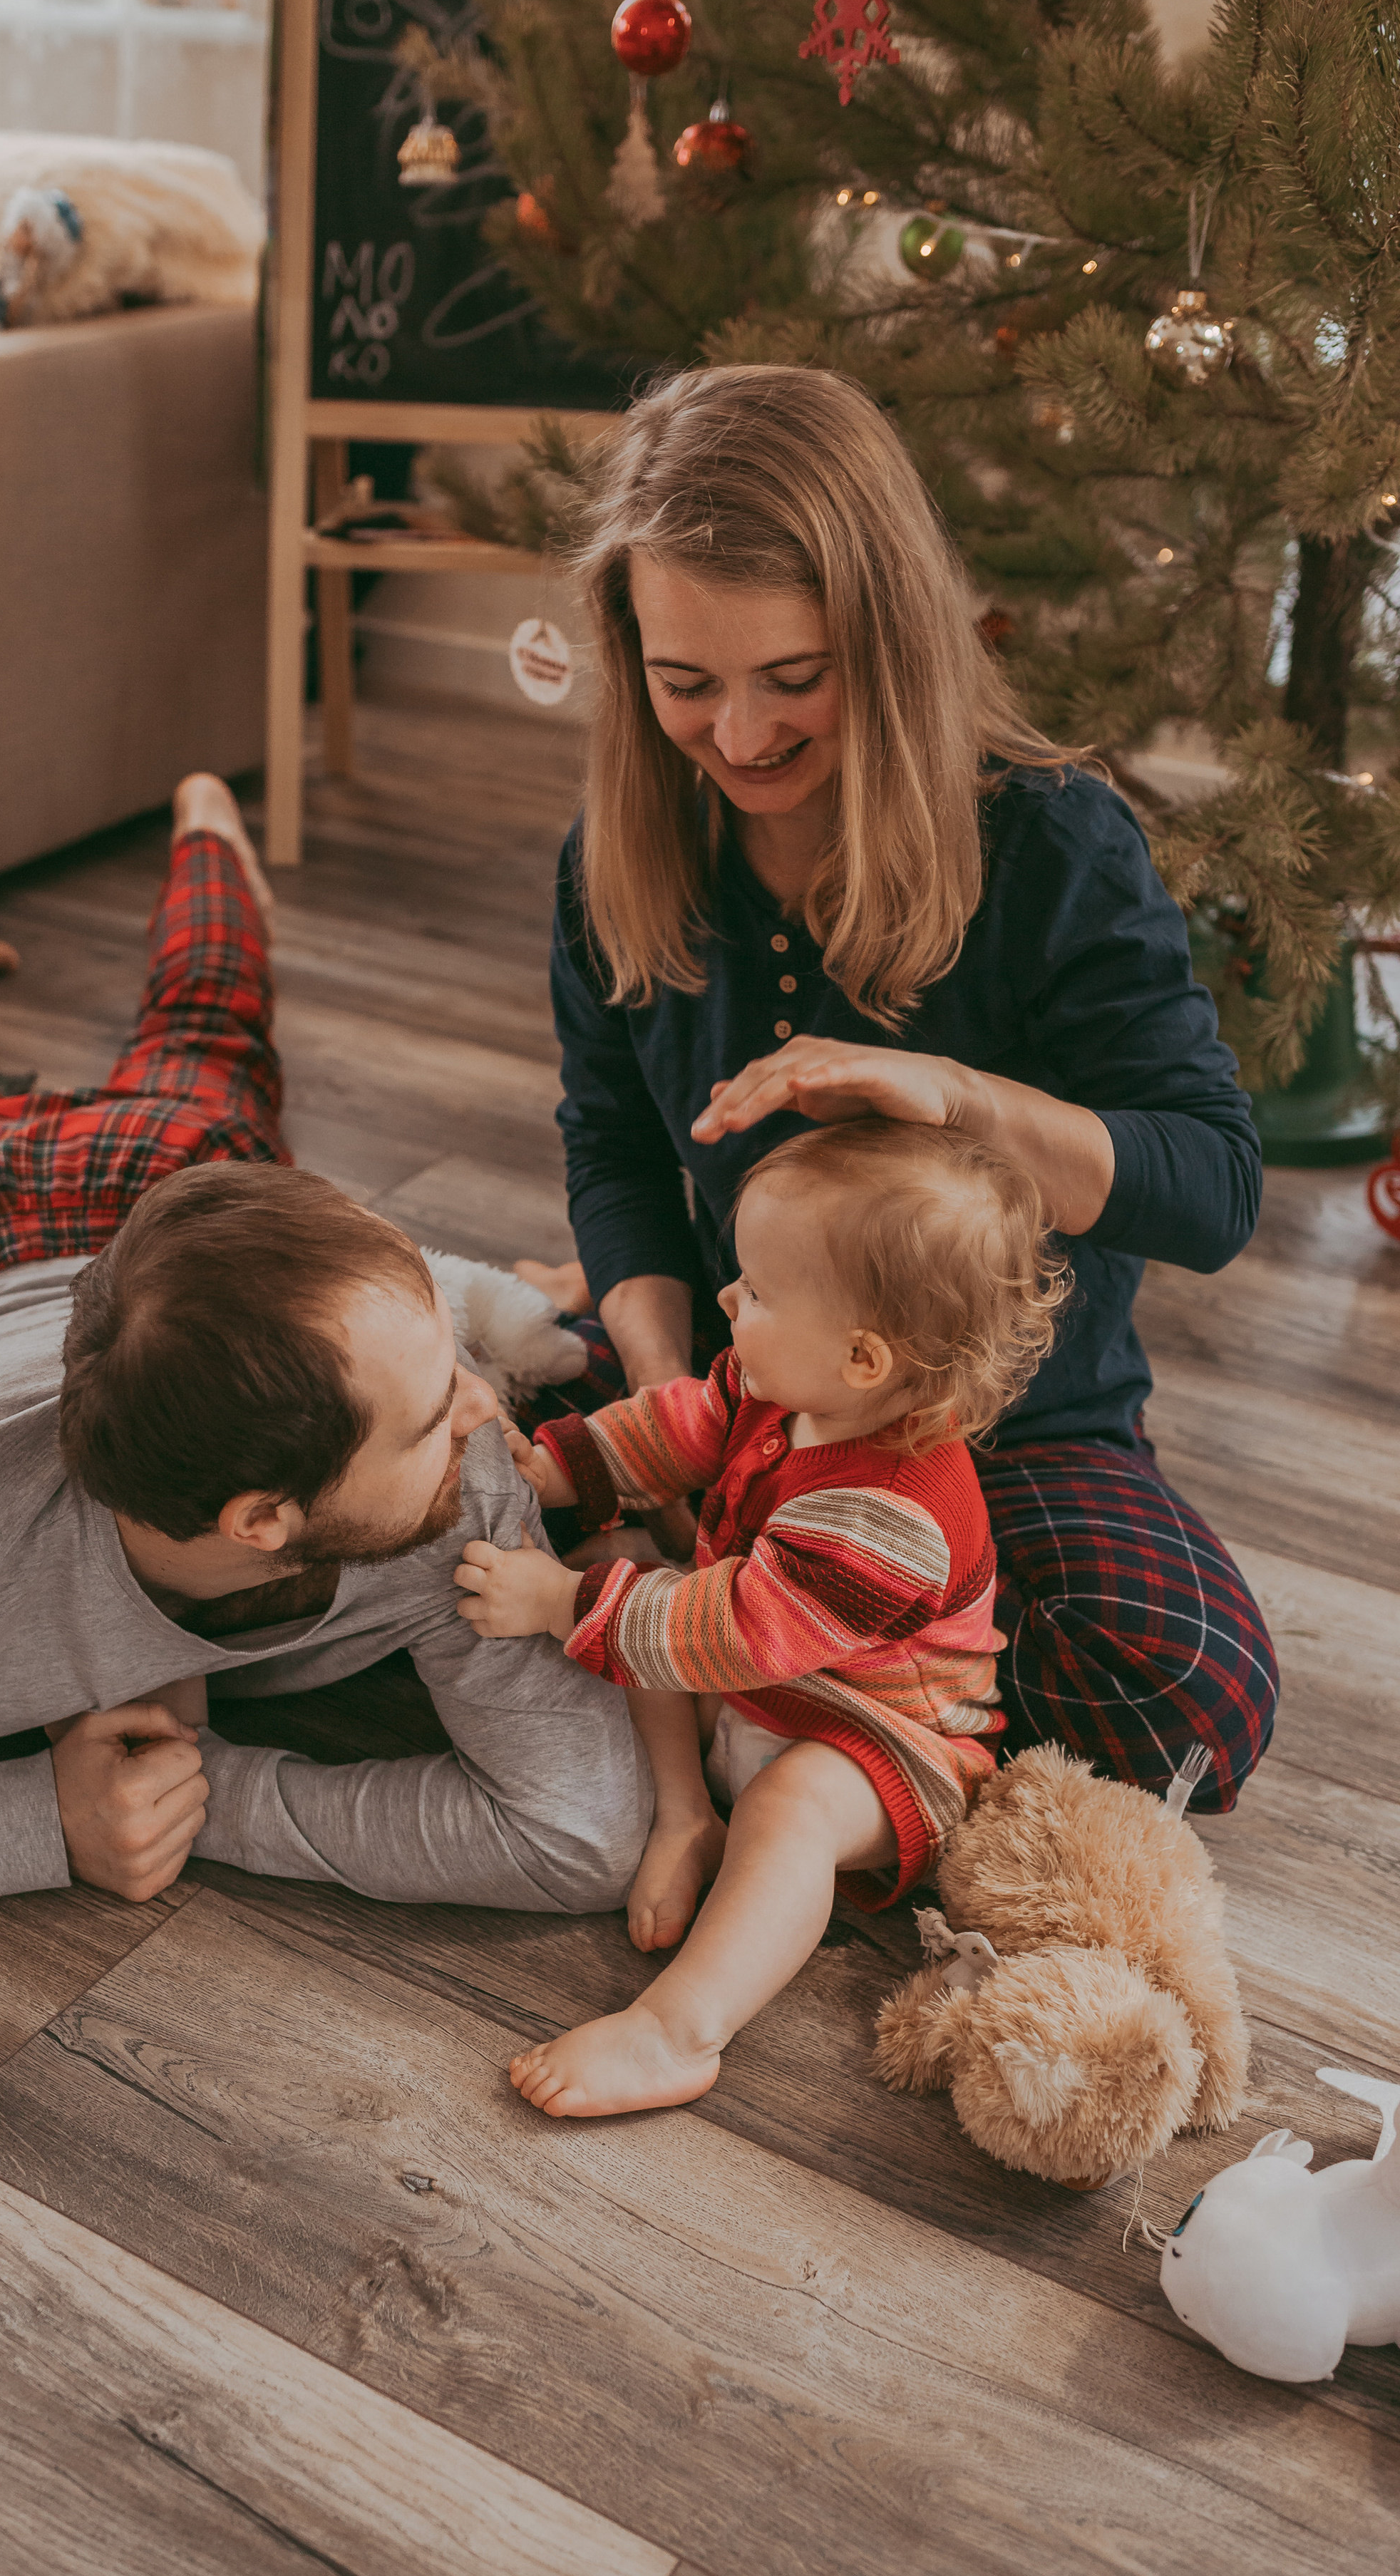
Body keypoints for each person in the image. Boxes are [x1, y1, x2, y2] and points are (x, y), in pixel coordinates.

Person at [0, 779, 649, 1947]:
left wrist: (206, 1796)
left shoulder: (438, 1448)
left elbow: (579, 1837)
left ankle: (207, 836)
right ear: (261, 1519)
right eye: (435, 1412)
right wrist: (33, 1821)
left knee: (210, 1031)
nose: (489, 1413)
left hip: (175, 1227)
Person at [517, 364, 1277, 1812]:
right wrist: (675, 1396)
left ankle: (736, 1670)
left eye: (790, 680)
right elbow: (612, 1149)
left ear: (888, 639)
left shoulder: (1051, 843)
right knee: (399, 1467)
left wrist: (957, 1097)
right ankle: (808, 1689)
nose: (738, 739)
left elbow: (1213, 1190)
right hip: (727, 1382)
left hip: (998, 1430)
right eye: (686, 685)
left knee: (1183, 1694)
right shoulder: (613, 858)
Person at [457, 1116, 1065, 2116]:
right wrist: (564, 1465)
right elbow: (680, 1425)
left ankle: (678, 2032)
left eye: (758, 1293)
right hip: (758, 1685)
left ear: (864, 1359)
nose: (728, 1300)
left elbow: (733, 1629)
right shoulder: (784, 1381)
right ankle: (687, 1814)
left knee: (789, 1804)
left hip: (880, 1742)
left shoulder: (893, 1510)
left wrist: (559, 1601)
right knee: (620, 1561)